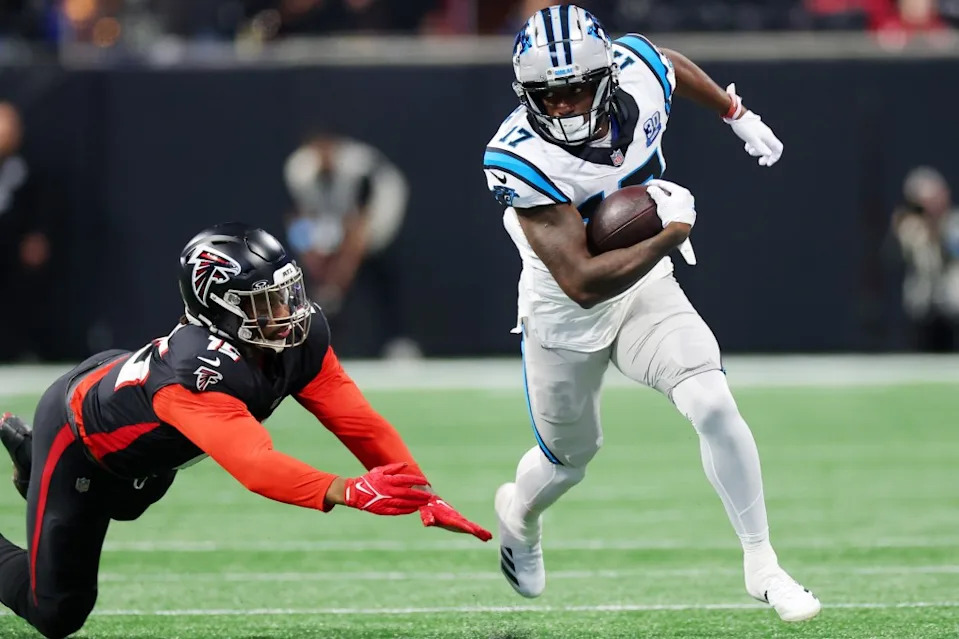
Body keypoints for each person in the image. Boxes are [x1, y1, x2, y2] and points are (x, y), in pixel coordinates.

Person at [482, 5, 819, 622]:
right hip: (565, 313)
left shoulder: (634, 68)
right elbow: (581, 281)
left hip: (644, 288)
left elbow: (669, 66)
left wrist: (734, 112)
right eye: (549, 96)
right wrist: (671, 231)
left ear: (607, 75)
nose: (566, 107)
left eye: (580, 88)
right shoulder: (518, 156)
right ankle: (519, 519)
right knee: (567, 461)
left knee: (712, 400)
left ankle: (762, 563)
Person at [0, 222, 490, 639]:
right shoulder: (194, 374)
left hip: (149, 445)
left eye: (287, 294)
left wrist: (420, 490)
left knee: (128, 503)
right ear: (219, 309)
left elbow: (355, 420)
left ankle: (30, 464)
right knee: (57, 612)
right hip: (80, 436)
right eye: (265, 302)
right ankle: (40, 458)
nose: (287, 312)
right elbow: (255, 465)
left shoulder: (296, 339)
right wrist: (348, 490)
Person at [283, 132, 418, 358]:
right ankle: (316, 343)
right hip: (333, 219)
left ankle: (398, 342)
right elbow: (299, 218)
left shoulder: (360, 171)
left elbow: (358, 231)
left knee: (375, 275)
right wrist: (314, 261)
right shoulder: (299, 169)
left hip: (377, 215)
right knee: (312, 280)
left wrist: (337, 280)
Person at [890, 166, 959, 351]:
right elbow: (905, 252)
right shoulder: (910, 227)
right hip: (922, 307)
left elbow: (952, 252)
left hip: (953, 306)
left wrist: (938, 226)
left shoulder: (954, 223)